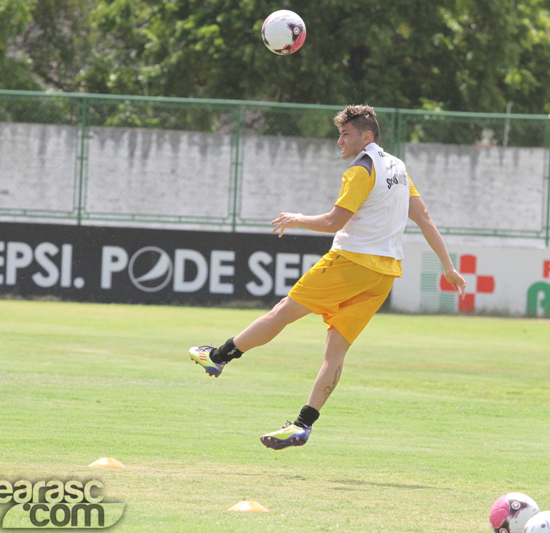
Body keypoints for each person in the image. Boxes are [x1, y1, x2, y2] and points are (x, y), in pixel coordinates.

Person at [189, 104, 466, 450]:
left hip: (350, 262)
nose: (339, 141)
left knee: (283, 312)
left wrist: (298, 218)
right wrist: (448, 265)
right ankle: (303, 425)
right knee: (335, 352)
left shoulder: (361, 169)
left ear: (366, 136)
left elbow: (335, 222)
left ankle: (218, 357)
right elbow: (423, 216)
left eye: (345, 134)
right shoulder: (397, 166)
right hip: (384, 275)